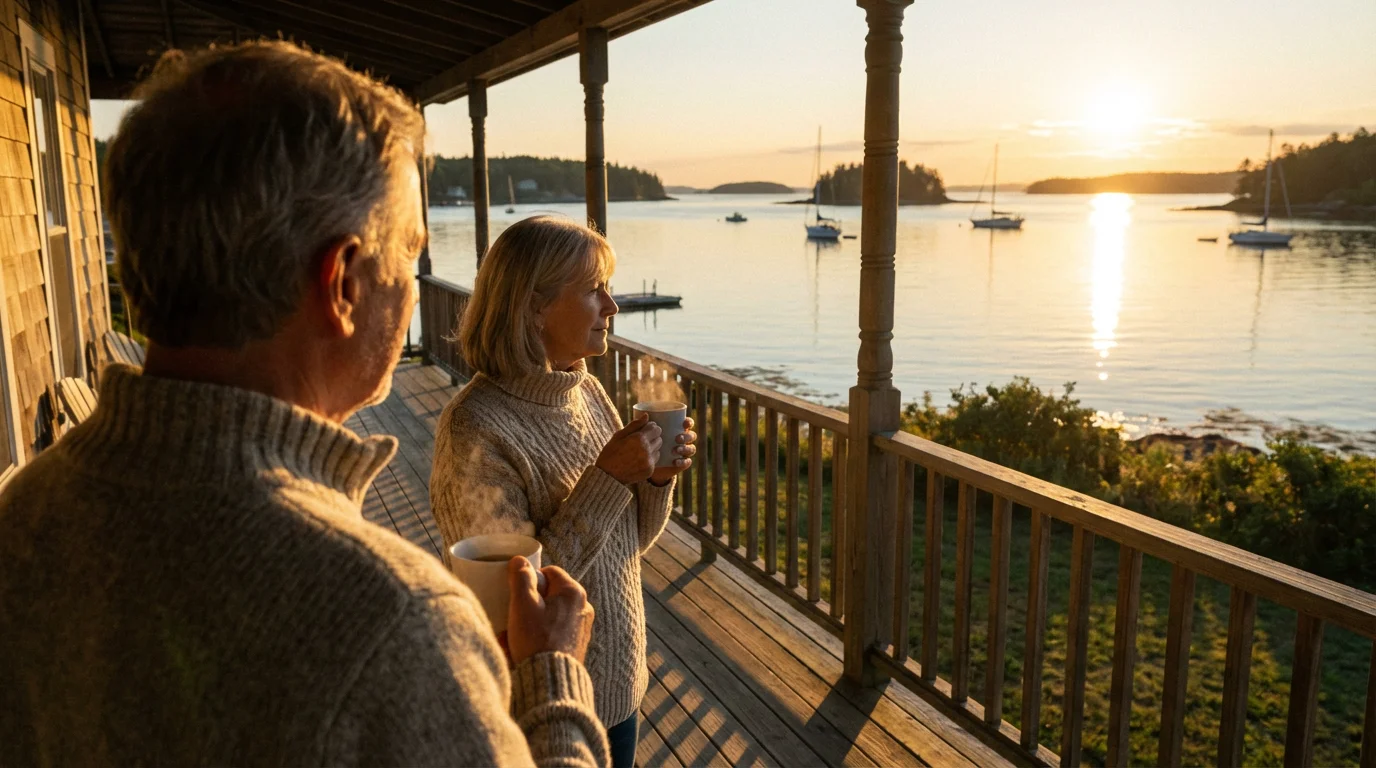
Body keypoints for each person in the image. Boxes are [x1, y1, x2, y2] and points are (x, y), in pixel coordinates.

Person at [0, 43, 607, 767]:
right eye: (409, 257)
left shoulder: (25, 516)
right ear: (344, 283)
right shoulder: (391, 622)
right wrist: (554, 680)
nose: (414, 290)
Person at [431, 216, 696, 768]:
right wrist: (607, 478)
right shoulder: (474, 430)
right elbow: (510, 605)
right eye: (593, 289)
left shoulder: (587, 390)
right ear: (533, 306)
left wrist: (655, 479)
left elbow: (629, 545)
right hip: (545, 704)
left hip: (619, 685)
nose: (612, 305)